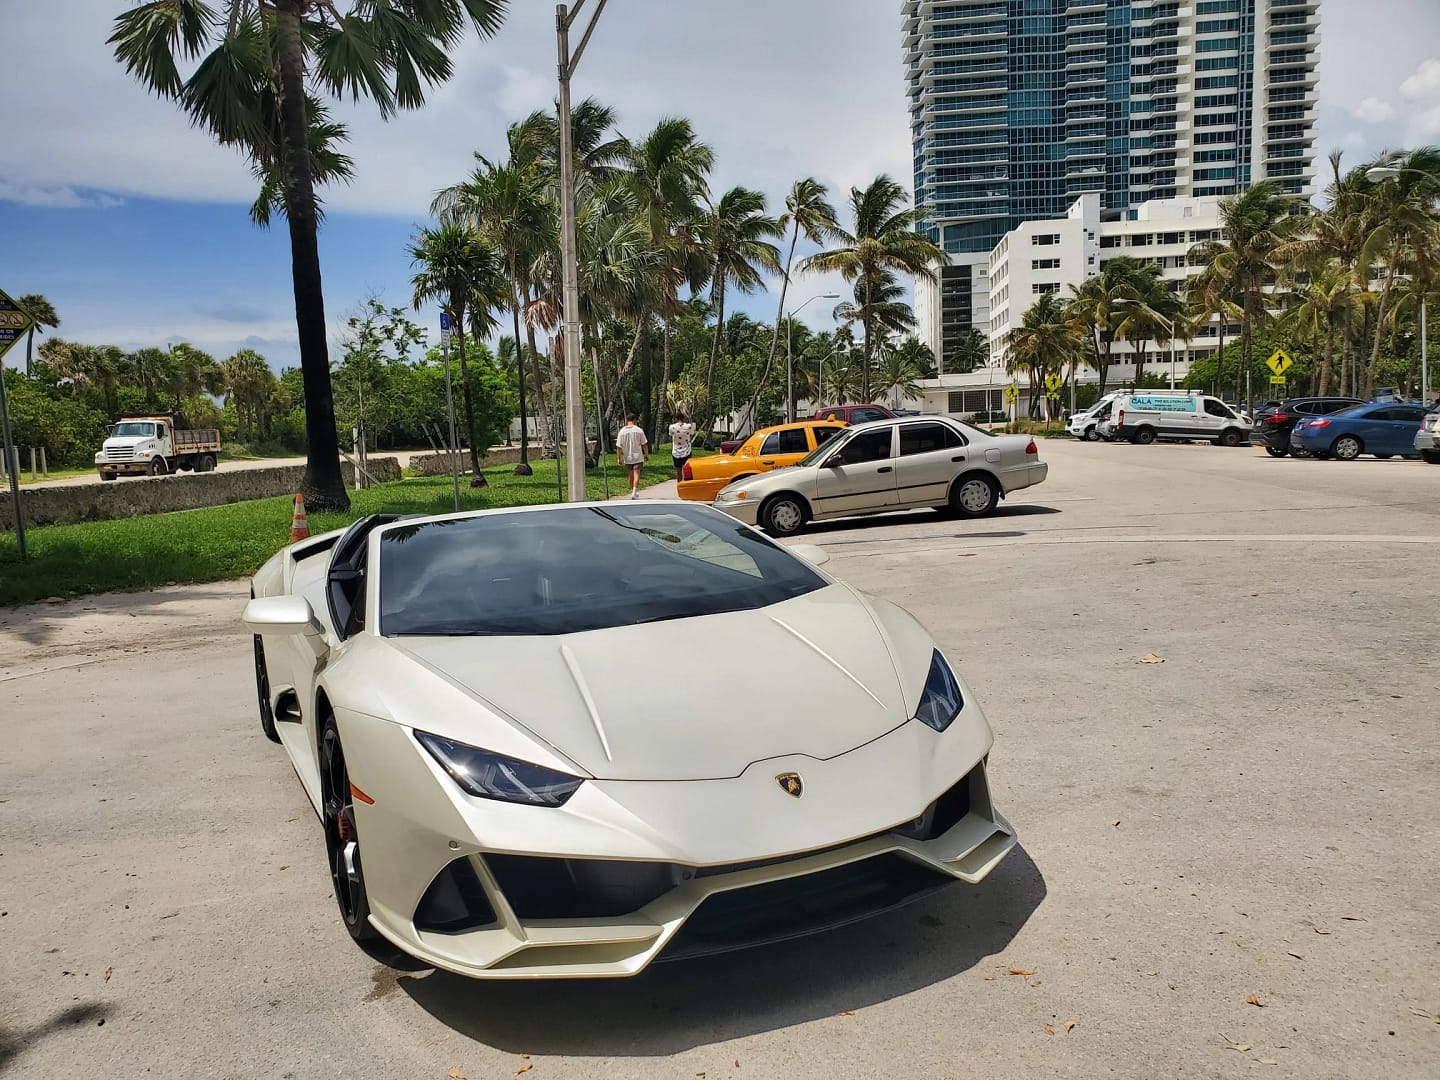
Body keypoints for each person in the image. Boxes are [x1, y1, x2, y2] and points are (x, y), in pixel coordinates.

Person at [615, 413, 649, 499]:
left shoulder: (622, 432)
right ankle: (634, 491)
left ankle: (632, 491)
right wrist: (646, 454)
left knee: (631, 475)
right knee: (636, 474)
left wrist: (619, 458)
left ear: (627, 420)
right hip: (637, 455)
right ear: (634, 420)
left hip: (628, 456)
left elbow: (619, 447)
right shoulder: (639, 430)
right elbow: (644, 444)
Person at [668, 411, 697, 481]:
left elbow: (670, 435)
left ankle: (679, 485)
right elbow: (692, 431)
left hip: (676, 452)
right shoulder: (688, 426)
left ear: (675, 418)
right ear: (683, 418)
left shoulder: (672, 427)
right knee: (686, 471)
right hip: (686, 451)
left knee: (678, 471)